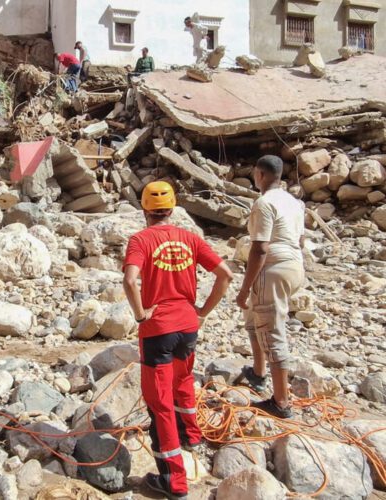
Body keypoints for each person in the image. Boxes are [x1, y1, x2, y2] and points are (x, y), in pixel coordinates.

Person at [123, 181, 233, 500]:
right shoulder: (190, 238)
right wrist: (202, 311)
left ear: (144, 209)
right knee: (183, 381)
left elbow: (130, 280)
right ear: (173, 208)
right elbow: (225, 273)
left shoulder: (141, 239)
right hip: (187, 325)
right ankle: (193, 437)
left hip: (157, 329)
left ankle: (175, 482)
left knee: (159, 404)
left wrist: (141, 314)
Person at [234, 155, 305, 419]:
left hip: (272, 269)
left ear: (260, 174)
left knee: (271, 330)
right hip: (294, 266)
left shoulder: (264, 203)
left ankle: (281, 402)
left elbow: (260, 248)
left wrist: (244, 288)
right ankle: (258, 371)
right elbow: (301, 239)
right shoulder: (295, 202)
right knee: (254, 319)